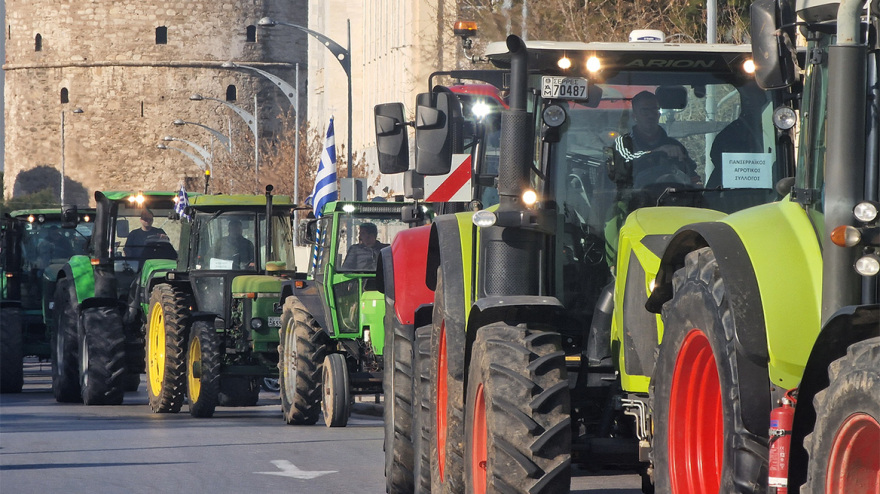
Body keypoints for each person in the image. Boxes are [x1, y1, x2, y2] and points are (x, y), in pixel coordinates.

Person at [609, 90, 701, 189]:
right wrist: (656, 152)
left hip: (672, 198)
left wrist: (696, 188)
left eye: (654, 110)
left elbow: (692, 178)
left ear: (659, 114)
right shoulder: (623, 143)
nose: (651, 115)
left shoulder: (675, 146)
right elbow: (626, 161)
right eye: (645, 111)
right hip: (633, 197)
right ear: (634, 116)